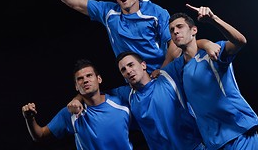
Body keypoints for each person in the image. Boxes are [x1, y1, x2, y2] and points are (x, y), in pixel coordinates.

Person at [38, 0, 219, 78]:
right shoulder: (108, 11)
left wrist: (162, 71)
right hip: (134, 78)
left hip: (165, 74)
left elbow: (174, 44)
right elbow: (74, 1)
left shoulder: (155, 12)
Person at [163, 4, 258, 149]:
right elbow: (157, 75)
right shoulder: (178, 68)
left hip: (240, 132)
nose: (175, 31)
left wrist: (214, 20)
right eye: (172, 30)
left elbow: (240, 41)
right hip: (214, 143)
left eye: (180, 27)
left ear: (194, 30)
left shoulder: (212, 52)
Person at [68, 51, 205, 150]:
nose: (128, 71)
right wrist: (77, 99)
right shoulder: (126, 94)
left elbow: (188, 50)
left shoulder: (167, 76)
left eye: (131, 65)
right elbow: (93, 92)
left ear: (143, 65)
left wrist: (206, 43)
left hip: (194, 146)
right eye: (123, 70)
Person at [21, 59, 134, 150]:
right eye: (80, 79)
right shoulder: (71, 112)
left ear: (99, 79)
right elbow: (40, 136)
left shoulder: (120, 100)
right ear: (76, 86)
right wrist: (29, 118)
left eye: (89, 75)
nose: (85, 80)